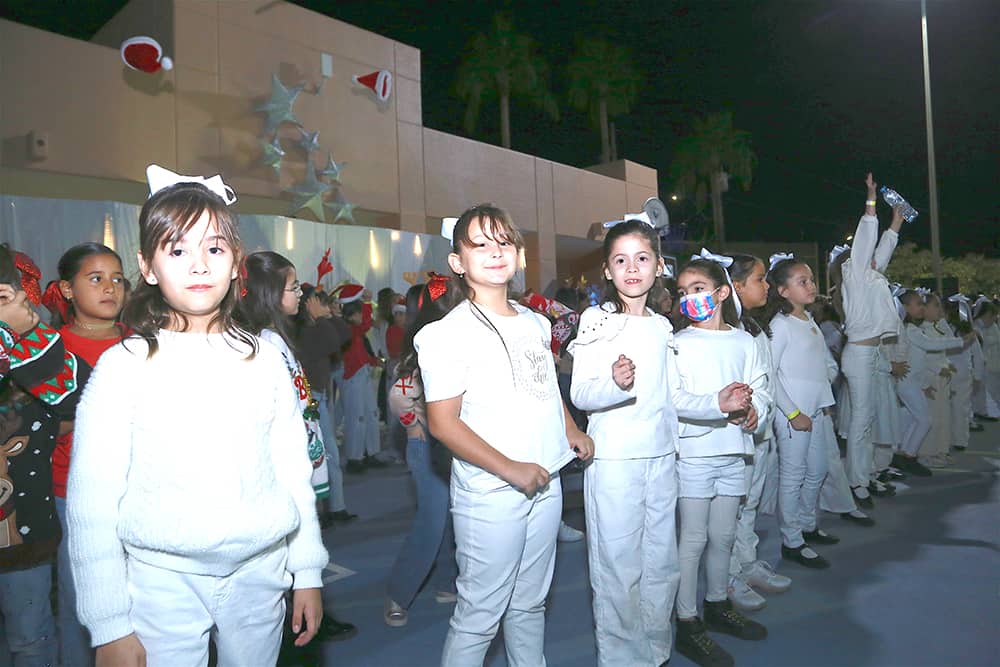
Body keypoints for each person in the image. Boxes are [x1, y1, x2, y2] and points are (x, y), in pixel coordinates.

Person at [67, 168, 328, 666]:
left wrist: (308, 571)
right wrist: (108, 626)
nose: (198, 265)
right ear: (147, 266)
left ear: (236, 264)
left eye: (214, 248)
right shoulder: (123, 367)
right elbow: (91, 503)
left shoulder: (265, 358)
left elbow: (293, 472)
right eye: (176, 250)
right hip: (160, 581)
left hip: (261, 571)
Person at [416, 204, 594, 666]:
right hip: (491, 491)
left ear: (519, 254)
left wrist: (570, 427)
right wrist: (511, 470)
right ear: (458, 262)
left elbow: (545, 387)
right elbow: (443, 423)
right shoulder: (444, 333)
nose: (495, 252)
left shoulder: (535, 322)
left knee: (531, 602)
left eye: (505, 242)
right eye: (480, 244)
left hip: (547, 479)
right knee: (480, 613)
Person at [569, 220, 750, 666]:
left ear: (659, 266)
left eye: (642, 258)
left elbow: (673, 397)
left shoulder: (663, 328)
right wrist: (613, 383)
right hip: (614, 462)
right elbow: (580, 394)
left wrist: (717, 402)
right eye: (620, 260)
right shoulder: (597, 321)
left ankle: (654, 653)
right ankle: (621, 659)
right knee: (618, 569)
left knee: (661, 565)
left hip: (662, 459)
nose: (632, 268)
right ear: (608, 271)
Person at [238, 251, 358, 644]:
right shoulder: (265, 343)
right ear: (271, 294)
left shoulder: (278, 337)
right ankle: (296, 623)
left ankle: (303, 615)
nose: (300, 294)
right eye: (292, 288)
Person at [672, 252, 771, 667]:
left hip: (735, 452)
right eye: (682, 293)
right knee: (692, 540)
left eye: (697, 290)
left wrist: (754, 412)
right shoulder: (678, 344)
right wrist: (718, 403)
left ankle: (716, 604)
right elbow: (674, 399)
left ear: (721, 293)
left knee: (725, 536)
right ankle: (686, 621)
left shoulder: (745, 341)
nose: (688, 299)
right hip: (694, 453)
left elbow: (762, 389)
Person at [0, 246, 88, 667]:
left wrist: (25, 333)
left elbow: (75, 399)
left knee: (29, 638)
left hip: (20, 529)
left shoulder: (31, 343)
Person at [40, 242, 127, 667]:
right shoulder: (46, 350)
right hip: (72, 494)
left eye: (117, 279)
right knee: (82, 604)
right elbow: (31, 428)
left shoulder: (141, 344)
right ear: (67, 290)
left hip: (137, 490)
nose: (110, 288)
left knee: (140, 603)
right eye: (95, 279)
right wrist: (90, 409)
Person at [384, 279, 459, 628]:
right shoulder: (423, 346)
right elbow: (399, 397)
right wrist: (414, 425)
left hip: (454, 445)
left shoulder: (452, 338)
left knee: (447, 518)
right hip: (427, 446)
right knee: (432, 521)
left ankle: (446, 581)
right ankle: (399, 592)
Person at [830, 174, 905, 508]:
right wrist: (871, 200)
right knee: (861, 421)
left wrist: (897, 222)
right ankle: (855, 482)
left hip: (873, 353)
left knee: (870, 418)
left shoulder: (872, 277)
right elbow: (866, 239)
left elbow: (882, 250)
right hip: (859, 355)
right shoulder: (855, 276)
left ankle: (868, 473)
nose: (870, 256)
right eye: (862, 255)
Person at [764, 255, 840, 570]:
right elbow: (770, 374)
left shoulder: (807, 320)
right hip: (794, 413)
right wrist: (793, 412)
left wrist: (826, 388)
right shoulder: (779, 326)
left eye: (810, 280)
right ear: (782, 291)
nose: (811, 286)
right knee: (794, 475)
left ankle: (808, 524)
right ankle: (792, 540)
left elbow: (822, 364)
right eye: (802, 282)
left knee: (818, 470)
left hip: (816, 410)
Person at [725, 253, 790, 611]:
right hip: (742, 434)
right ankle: (729, 574)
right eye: (759, 279)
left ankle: (747, 563)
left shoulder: (751, 325)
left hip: (760, 431)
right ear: (736, 286)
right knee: (734, 507)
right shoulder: (730, 332)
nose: (765, 286)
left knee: (749, 503)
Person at [294, 283, 356, 524]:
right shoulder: (304, 332)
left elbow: (342, 336)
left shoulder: (313, 328)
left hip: (318, 397)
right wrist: (322, 319)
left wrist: (332, 316)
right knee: (323, 455)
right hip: (311, 401)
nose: (323, 306)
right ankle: (327, 509)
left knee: (326, 455)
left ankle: (333, 507)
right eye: (317, 302)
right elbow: (334, 340)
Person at [894, 291, 970, 473]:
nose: (921, 307)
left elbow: (917, 363)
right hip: (906, 383)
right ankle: (908, 455)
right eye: (917, 304)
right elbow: (930, 346)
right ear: (905, 308)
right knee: (924, 420)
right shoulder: (910, 330)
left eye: (922, 304)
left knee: (919, 419)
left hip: (912, 383)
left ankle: (904, 454)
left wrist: (924, 385)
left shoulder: (914, 330)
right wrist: (961, 341)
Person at [334, 284, 383, 472]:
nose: (362, 317)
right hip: (352, 376)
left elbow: (361, 349)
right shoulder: (346, 328)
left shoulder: (354, 330)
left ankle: (371, 452)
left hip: (361, 373)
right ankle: (355, 457)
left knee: (371, 413)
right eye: (359, 313)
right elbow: (364, 326)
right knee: (356, 417)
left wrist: (372, 361)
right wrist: (368, 303)